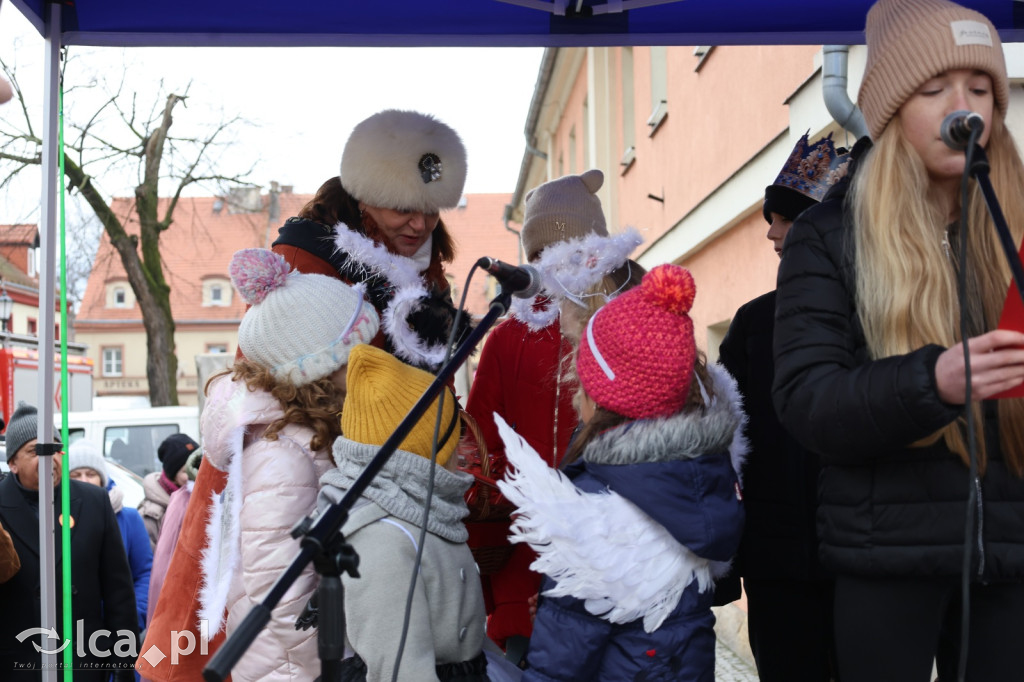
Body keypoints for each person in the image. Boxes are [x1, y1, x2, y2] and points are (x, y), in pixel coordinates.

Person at [772, 1, 1024, 679]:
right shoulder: (830, 236)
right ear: (888, 110)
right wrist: (931, 382)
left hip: (1012, 559)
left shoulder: (1014, 229)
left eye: (979, 89)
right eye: (934, 88)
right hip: (885, 560)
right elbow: (808, 401)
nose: (962, 106)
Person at [139, 248, 379, 681]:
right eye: (356, 354)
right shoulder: (281, 455)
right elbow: (281, 592)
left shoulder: (307, 437)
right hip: (297, 669)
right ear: (320, 368)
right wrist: (346, 654)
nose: (368, 363)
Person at [498, 265, 747, 681]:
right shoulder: (691, 481)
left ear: (600, 393)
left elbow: (555, 670)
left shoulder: (601, 509)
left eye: (581, 380)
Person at [465, 169, 614, 654]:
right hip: (523, 563)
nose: (551, 264)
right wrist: (521, 496)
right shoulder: (507, 338)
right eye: (538, 255)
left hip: (611, 562)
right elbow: (479, 446)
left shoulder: (622, 322)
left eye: (566, 249)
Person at [717, 132, 848, 681]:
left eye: (784, 218)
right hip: (774, 562)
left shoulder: (874, 311)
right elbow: (719, 441)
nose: (770, 231)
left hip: (854, 559)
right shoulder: (750, 323)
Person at [318, 343, 490, 682]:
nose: (463, 447)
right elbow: (399, 670)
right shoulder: (382, 540)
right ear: (432, 450)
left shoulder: (427, 510)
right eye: (455, 436)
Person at [272, 109, 471, 373]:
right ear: (364, 200)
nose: (420, 225)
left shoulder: (427, 268)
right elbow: (269, 376)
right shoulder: (302, 259)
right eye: (403, 208)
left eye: (431, 210)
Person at [0, 403, 138, 681]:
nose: (48, 458)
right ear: (13, 463)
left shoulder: (93, 501)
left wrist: (123, 664)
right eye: (35, 450)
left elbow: (118, 593)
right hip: (18, 665)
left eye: (55, 448)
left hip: (82, 662)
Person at [69, 439, 153, 632]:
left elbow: (144, 573)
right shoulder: (59, 518)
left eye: (91, 474)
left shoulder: (130, 518)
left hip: (119, 628)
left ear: (102, 478)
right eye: (76, 474)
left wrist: (135, 614)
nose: (84, 480)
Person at [144, 448, 200, 628]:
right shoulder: (178, 503)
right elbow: (158, 569)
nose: (190, 475)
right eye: (184, 471)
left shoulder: (187, 500)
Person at [138, 432, 199, 549]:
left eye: (197, 467)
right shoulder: (151, 514)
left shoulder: (203, 500)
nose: (195, 475)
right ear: (173, 476)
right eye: (186, 472)